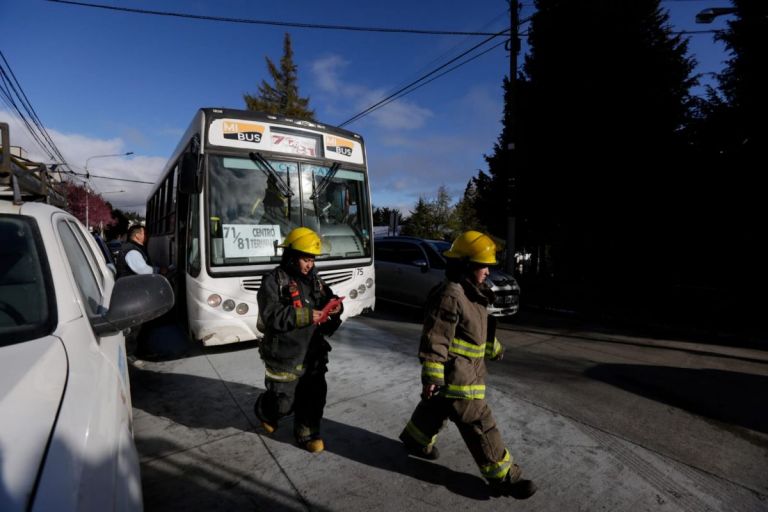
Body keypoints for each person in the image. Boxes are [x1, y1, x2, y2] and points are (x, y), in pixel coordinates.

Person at [398, 231, 537, 499]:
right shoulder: (451, 295)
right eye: (482, 266)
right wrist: (432, 378)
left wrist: (493, 348)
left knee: (436, 407)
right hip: (459, 376)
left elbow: (473, 333)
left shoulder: (473, 294)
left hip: (465, 371)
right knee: (479, 423)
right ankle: (504, 478)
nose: (487, 271)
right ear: (464, 266)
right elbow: (435, 339)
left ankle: (415, 439)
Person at [255, 227, 343, 453]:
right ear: (292, 256)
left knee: (314, 396)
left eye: (312, 259)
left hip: (313, 351)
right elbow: (270, 315)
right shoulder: (273, 281)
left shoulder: (315, 280)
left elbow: (328, 298)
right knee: (284, 402)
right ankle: (267, 410)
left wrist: (335, 307)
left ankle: (306, 432)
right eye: (306, 259)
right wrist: (302, 315)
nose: (310, 264)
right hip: (285, 354)